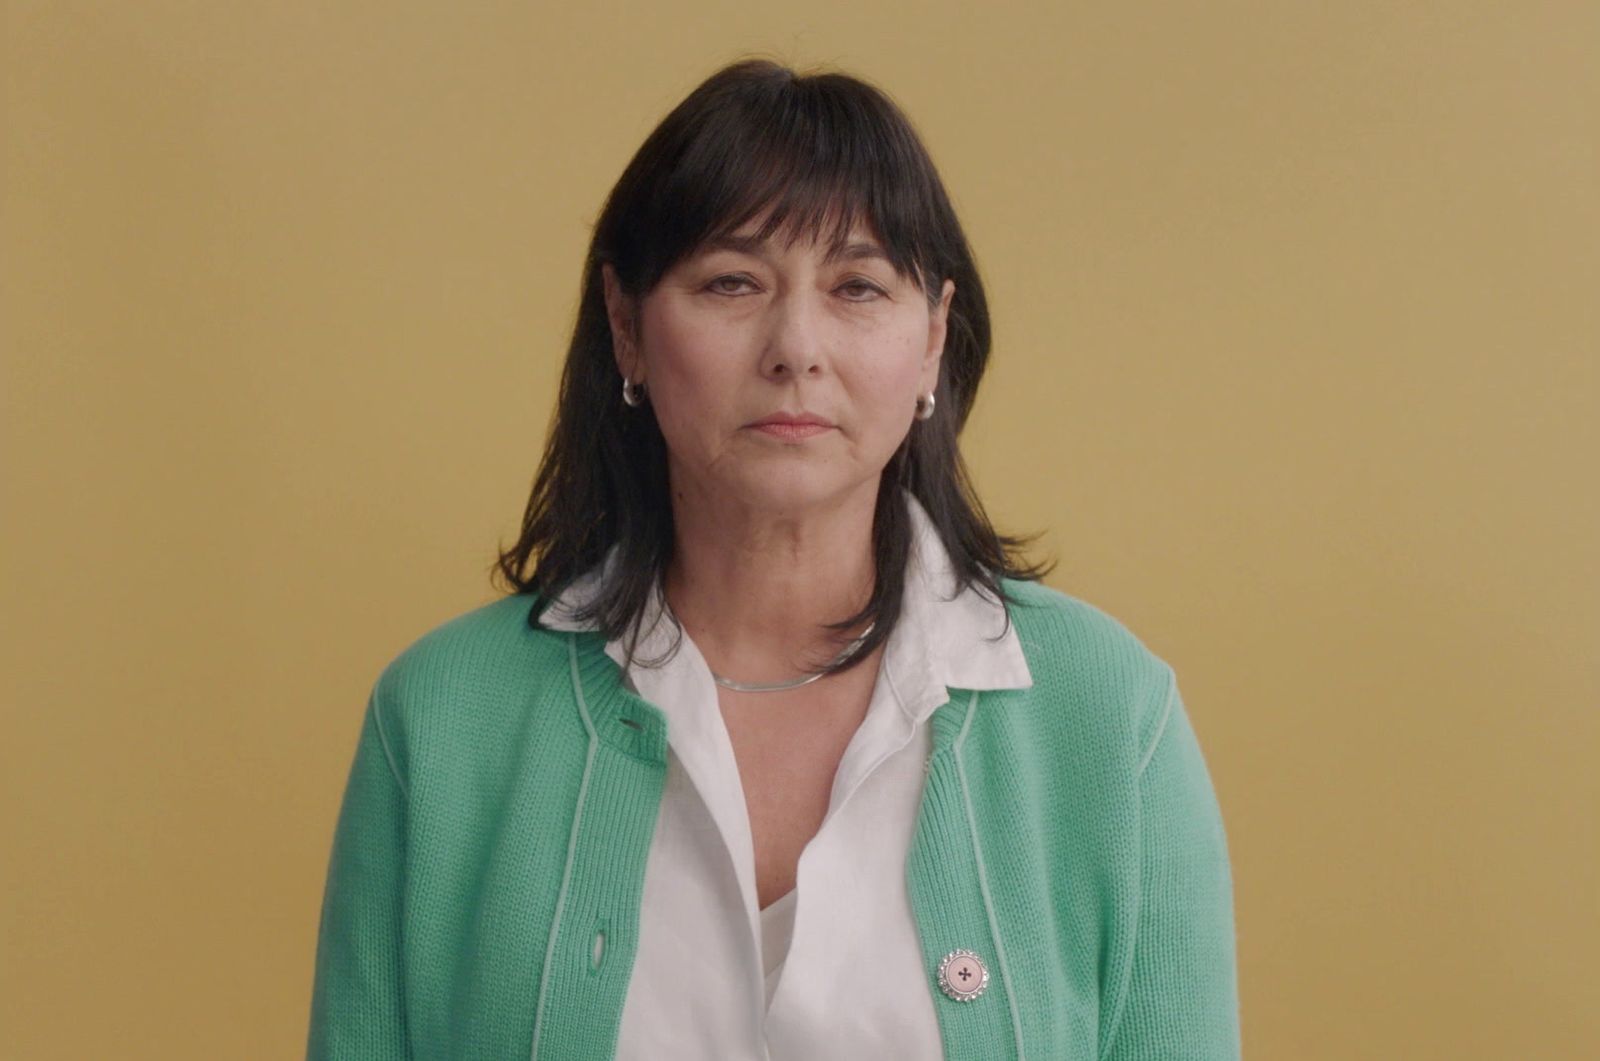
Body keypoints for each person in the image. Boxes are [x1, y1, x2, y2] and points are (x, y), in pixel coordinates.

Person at [306, 58, 1240, 1060]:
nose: (796, 344)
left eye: (857, 286)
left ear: (931, 337)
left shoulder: (1107, 718)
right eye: (731, 282)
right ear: (626, 326)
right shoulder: (441, 720)